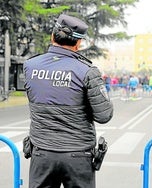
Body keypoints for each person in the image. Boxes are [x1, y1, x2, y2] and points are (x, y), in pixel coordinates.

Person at [23, 14, 113, 188]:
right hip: (78, 156)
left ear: (52, 36)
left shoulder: (30, 66)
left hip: (42, 153)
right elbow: (104, 116)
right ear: (78, 44)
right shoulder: (87, 71)